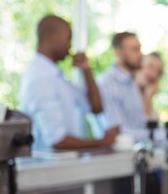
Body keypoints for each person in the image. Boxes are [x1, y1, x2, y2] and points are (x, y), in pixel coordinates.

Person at [20, 15, 118, 150]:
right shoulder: (40, 78)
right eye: (68, 38)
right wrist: (104, 141)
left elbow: (96, 107)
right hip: (48, 169)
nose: (70, 46)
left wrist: (86, 70)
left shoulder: (57, 77)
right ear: (52, 37)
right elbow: (58, 141)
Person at [98, 32, 168, 142]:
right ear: (118, 52)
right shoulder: (107, 83)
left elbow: (144, 126)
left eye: (140, 49)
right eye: (134, 49)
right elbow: (119, 133)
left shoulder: (133, 82)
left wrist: (148, 97)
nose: (140, 55)